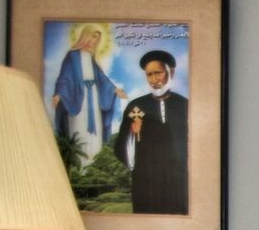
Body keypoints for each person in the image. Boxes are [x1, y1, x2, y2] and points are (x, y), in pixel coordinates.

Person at [110, 50, 190, 215]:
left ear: (171, 72)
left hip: (178, 181)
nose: (154, 80)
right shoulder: (135, 107)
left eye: (158, 73)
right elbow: (120, 148)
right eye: (149, 75)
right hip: (146, 181)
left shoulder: (185, 105)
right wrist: (132, 134)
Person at [51, 23, 124, 156]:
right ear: (85, 36)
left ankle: (94, 158)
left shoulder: (91, 58)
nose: (94, 41)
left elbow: (101, 78)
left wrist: (114, 89)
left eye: (97, 38)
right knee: (79, 128)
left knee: (96, 129)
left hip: (94, 98)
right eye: (93, 37)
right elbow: (65, 77)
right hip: (78, 98)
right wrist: (59, 94)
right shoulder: (72, 56)